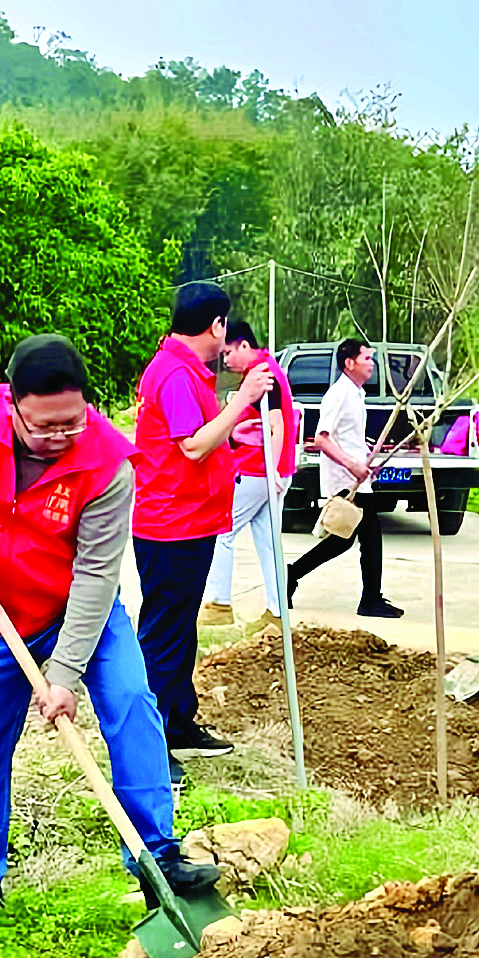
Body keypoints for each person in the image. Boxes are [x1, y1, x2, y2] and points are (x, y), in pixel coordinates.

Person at [0, 335, 221, 926]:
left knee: (131, 705)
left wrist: (62, 674)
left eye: (72, 420)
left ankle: (157, 857)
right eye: (44, 427)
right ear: (11, 406)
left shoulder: (108, 465)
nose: (60, 436)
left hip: (78, 611)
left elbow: (97, 575)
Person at [130, 284, 272, 770]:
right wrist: (243, 399)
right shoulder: (173, 374)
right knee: (163, 635)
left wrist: (238, 427)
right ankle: (150, 744)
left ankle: (178, 722)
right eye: (225, 325)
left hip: (191, 521)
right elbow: (191, 445)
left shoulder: (186, 371)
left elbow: (198, 438)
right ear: (216, 326)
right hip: (171, 525)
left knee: (179, 631)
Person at [286, 337, 404, 620]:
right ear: (349, 363)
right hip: (344, 479)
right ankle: (370, 600)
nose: (371, 364)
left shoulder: (356, 394)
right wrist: (352, 465)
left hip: (356, 477)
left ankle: (290, 574)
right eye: (367, 359)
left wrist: (367, 455)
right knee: (370, 538)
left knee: (342, 540)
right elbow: (322, 440)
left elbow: (346, 436)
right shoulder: (338, 394)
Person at [201, 319, 298, 628]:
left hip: (257, 471)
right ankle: (277, 612)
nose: (225, 359)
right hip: (271, 471)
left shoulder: (261, 376)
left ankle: (218, 605)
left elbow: (277, 426)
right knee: (269, 543)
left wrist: (271, 476)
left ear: (244, 346)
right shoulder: (266, 369)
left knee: (222, 532)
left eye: (229, 352)